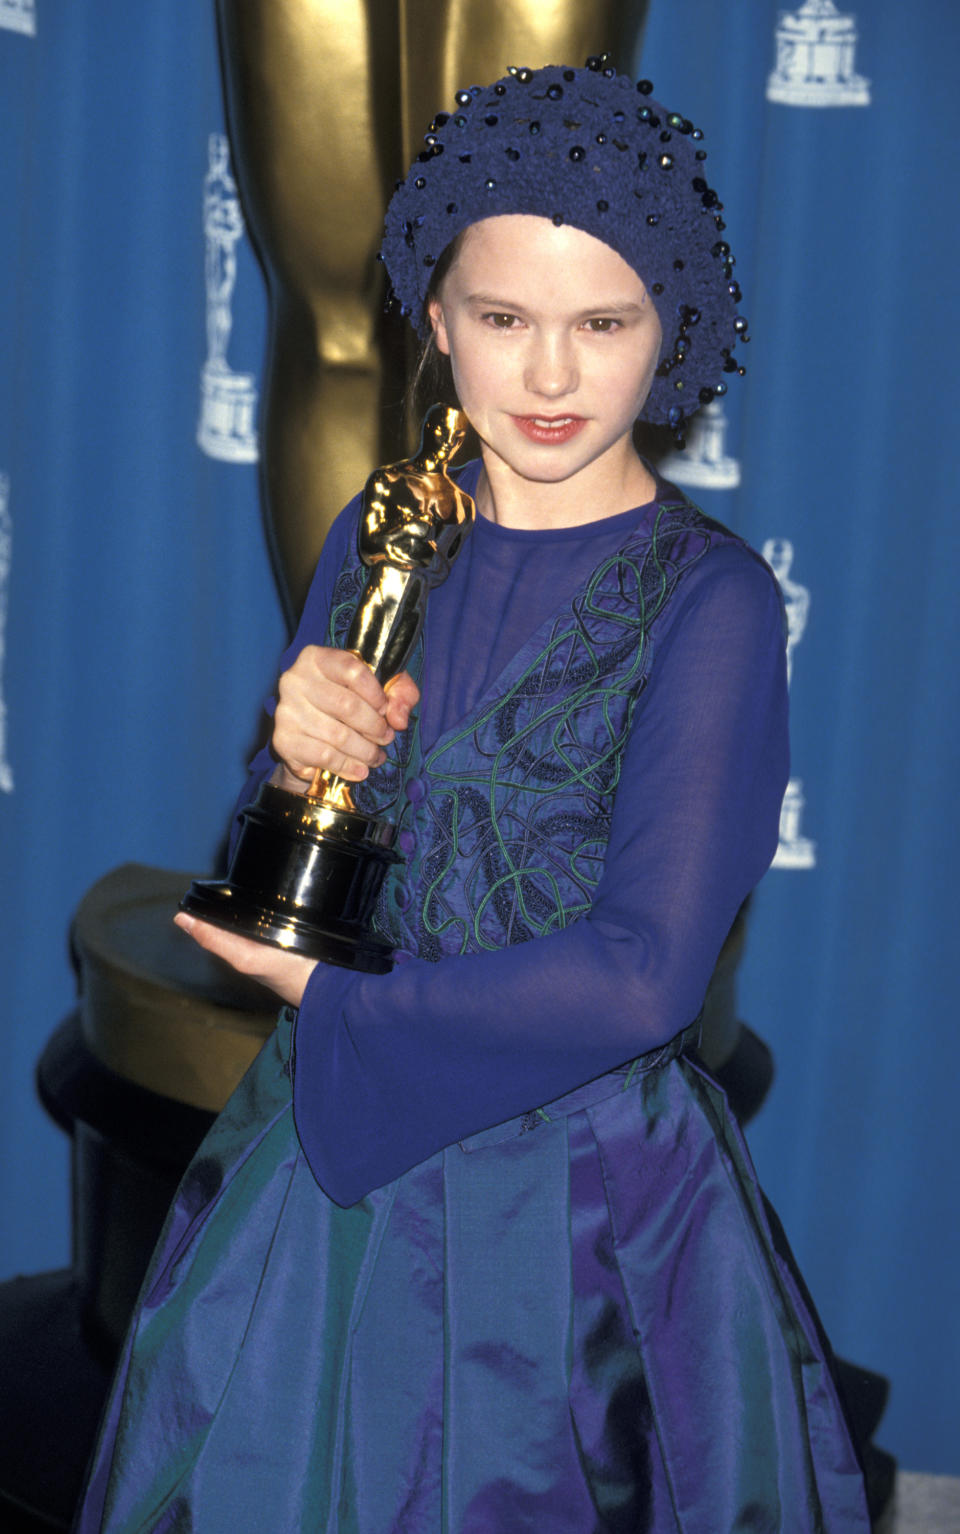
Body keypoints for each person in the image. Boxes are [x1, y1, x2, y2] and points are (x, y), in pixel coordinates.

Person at [77, 60, 870, 1532]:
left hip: (582, 1220)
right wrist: (302, 755)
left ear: (671, 331)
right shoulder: (384, 539)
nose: (550, 377)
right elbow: (314, 854)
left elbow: (644, 976)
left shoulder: (714, 608)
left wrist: (328, 1000)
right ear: (436, 319)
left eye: (603, 323)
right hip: (323, 1179)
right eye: (503, 319)